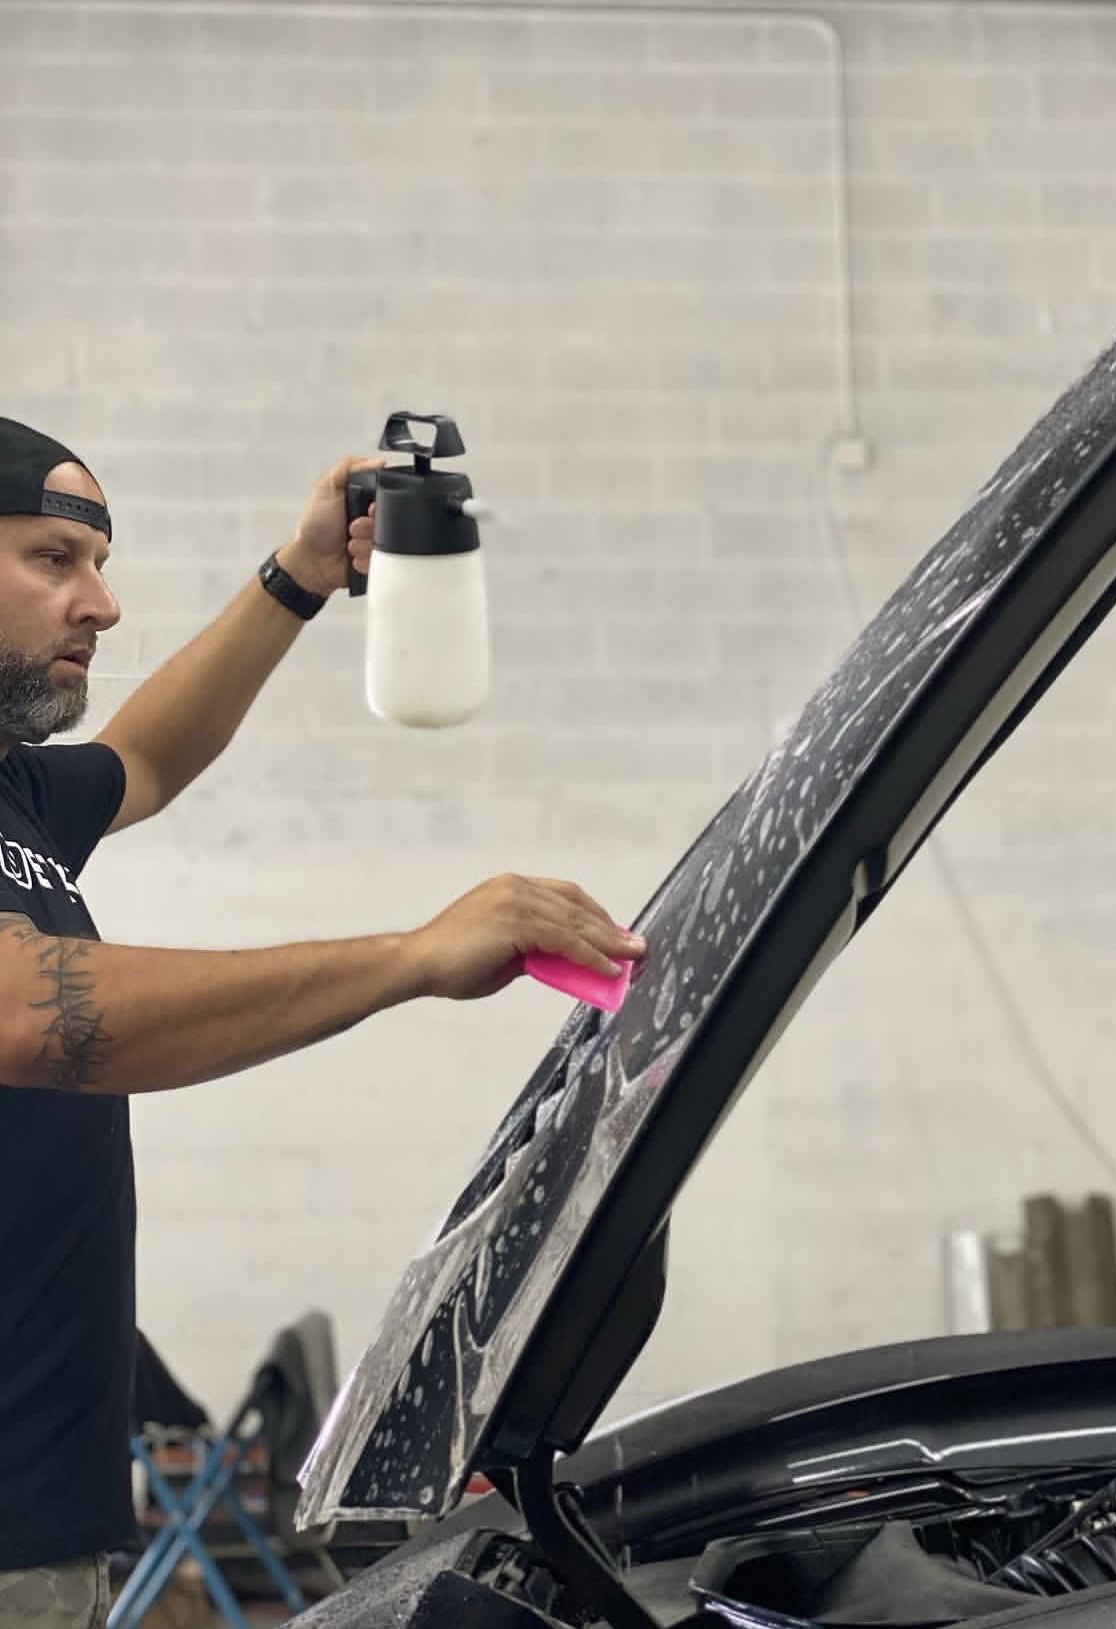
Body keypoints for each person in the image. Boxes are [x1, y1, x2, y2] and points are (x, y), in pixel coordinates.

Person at [0, 416, 646, 1629]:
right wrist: (409, 958)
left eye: (98, 562)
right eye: (54, 560)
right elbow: (35, 1014)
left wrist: (299, 575)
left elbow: (145, 758)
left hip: (45, 1511)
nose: (103, 604)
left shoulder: (14, 796)